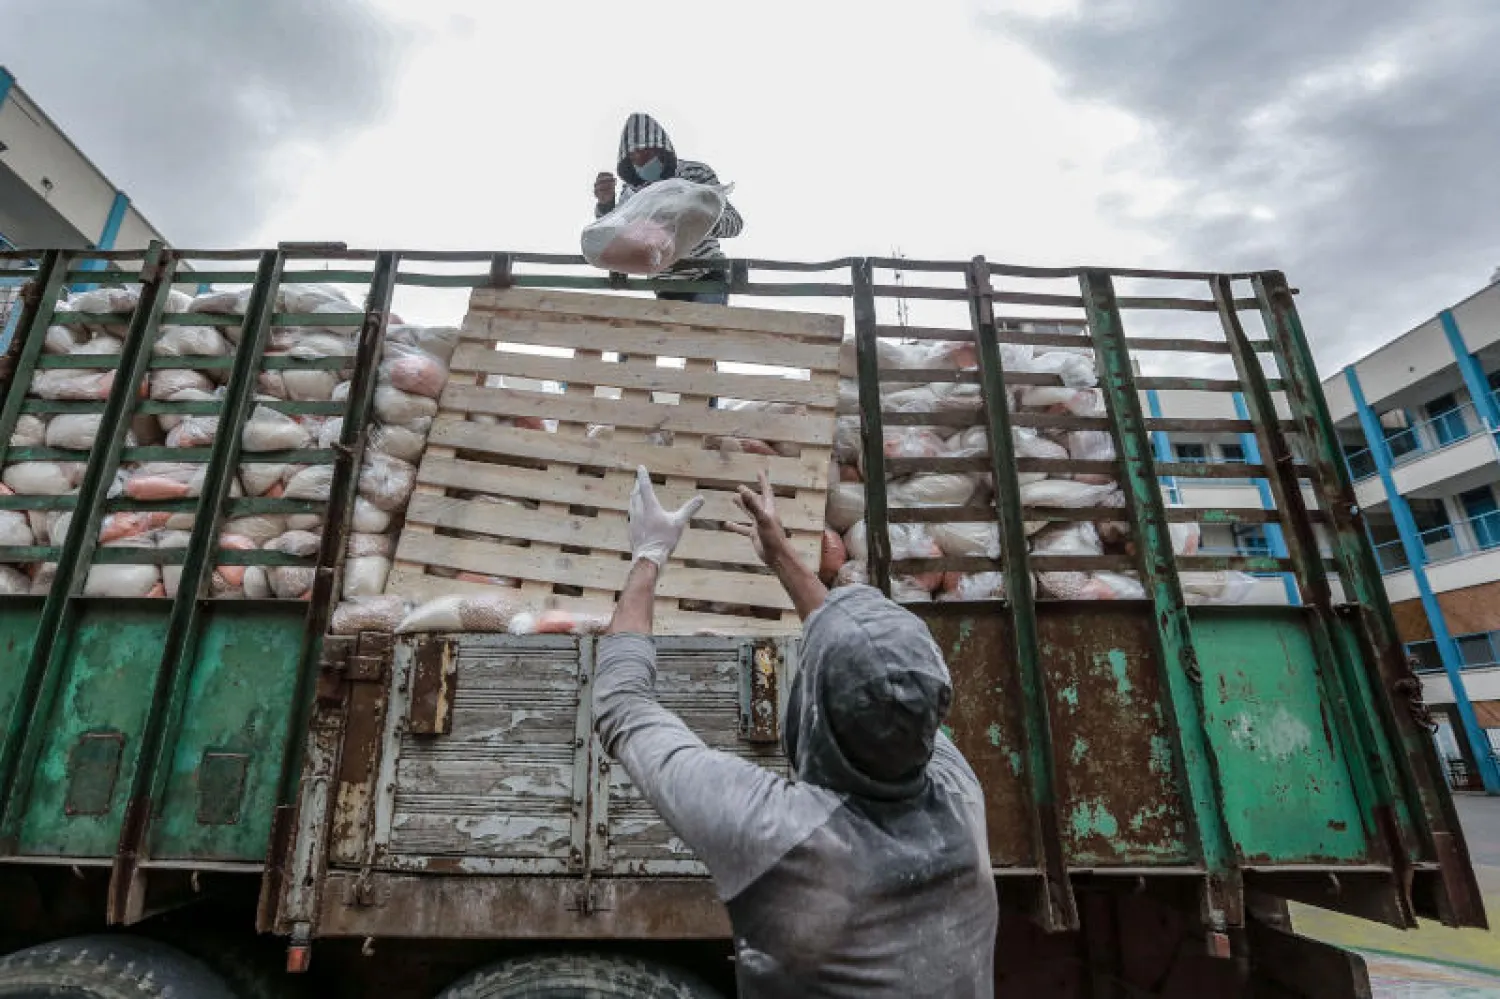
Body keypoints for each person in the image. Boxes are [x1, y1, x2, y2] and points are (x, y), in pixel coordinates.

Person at [594, 467, 998, 998]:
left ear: (813, 712)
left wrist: (649, 554)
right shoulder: (959, 792)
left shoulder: (779, 835)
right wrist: (780, 553)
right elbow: (886, 679)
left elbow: (622, 704)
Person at [593, 112, 743, 305]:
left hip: (706, 275)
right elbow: (614, 236)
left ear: (661, 151)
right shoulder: (632, 194)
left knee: (706, 330)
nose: (641, 163)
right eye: (634, 158)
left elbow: (734, 223)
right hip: (664, 284)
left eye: (646, 155)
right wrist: (606, 204)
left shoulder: (694, 174)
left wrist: (698, 219)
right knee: (674, 334)